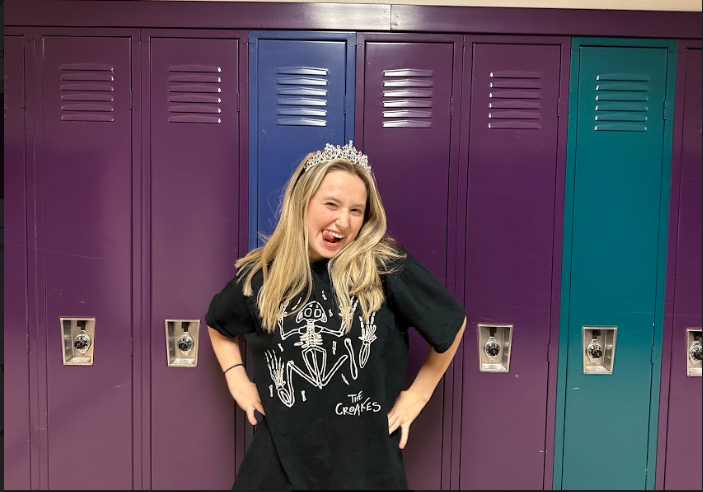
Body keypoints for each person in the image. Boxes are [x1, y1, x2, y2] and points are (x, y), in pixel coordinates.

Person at [205, 141, 466, 490]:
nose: (343, 221)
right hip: (278, 465)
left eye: (356, 211)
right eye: (331, 204)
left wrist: (417, 395)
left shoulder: (384, 267)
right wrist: (237, 378)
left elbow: (451, 321)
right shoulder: (263, 273)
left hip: (365, 469)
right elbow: (219, 324)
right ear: (303, 201)